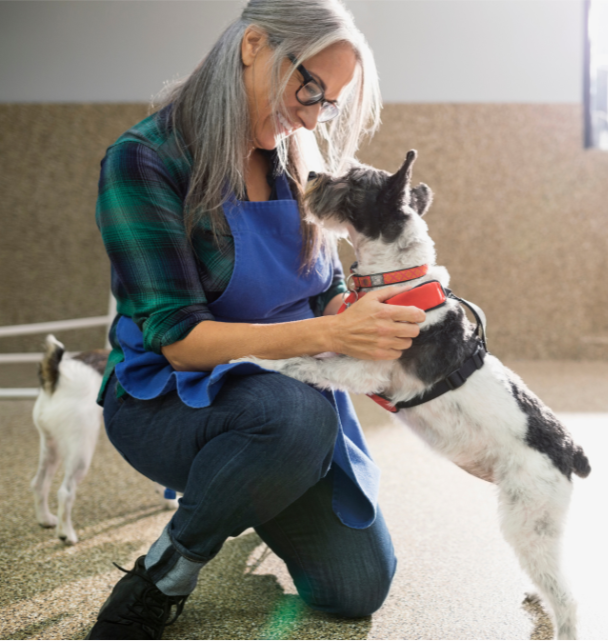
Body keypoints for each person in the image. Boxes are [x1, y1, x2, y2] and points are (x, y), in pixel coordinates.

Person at [88, 1, 425, 638]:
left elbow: (323, 288)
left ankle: (251, 484)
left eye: (328, 103)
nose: (311, 114)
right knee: (292, 415)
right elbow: (181, 343)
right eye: (309, 87)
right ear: (252, 46)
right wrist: (331, 334)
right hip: (168, 403)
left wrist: (380, 315)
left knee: (357, 588)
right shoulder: (144, 162)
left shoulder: (296, 156)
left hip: (288, 395)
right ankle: (167, 571)